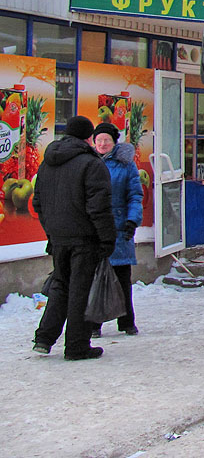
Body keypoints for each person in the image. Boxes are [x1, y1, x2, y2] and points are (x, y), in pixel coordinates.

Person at [31, 116, 115, 360]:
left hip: (58, 237)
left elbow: (38, 203)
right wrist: (107, 239)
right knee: (79, 289)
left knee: (60, 285)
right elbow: (99, 207)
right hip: (84, 238)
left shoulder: (47, 163)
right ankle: (77, 345)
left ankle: (44, 338)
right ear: (89, 137)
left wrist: (52, 230)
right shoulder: (92, 164)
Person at [90, 122, 143, 337]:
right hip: (94, 229)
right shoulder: (88, 162)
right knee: (94, 279)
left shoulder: (125, 164)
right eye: (99, 140)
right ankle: (94, 324)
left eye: (106, 140)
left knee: (122, 278)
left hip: (120, 228)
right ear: (93, 142)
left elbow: (134, 195)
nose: (102, 144)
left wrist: (132, 221)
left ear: (114, 143)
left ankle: (127, 322)